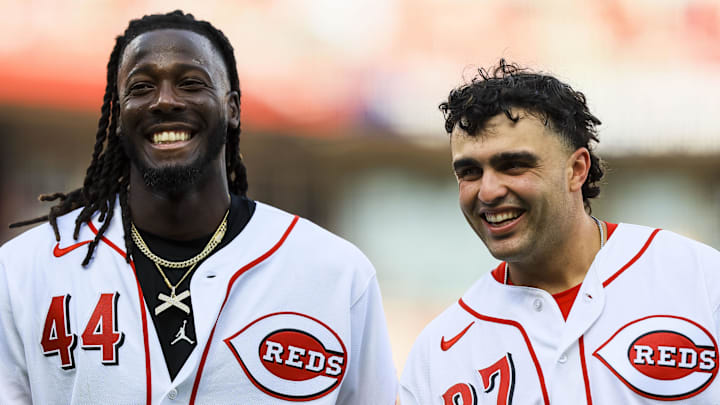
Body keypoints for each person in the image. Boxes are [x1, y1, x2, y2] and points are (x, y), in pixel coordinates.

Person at [0, 11, 397, 404]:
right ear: (119, 116)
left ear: (233, 109)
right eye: (141, 87)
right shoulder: (23, 271)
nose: (165, 101)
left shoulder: (338, 274)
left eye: (191, 83)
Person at [400, 60, 720, 404]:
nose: (488, 191)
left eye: (513, 165)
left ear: (576, 170)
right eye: (470, 171)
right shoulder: (439, 353)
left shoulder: (698, 278)